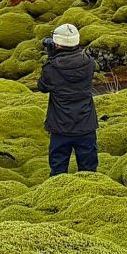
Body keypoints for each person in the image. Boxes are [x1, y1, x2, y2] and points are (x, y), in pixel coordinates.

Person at [37, 23, 99, 176]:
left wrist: (52, 57)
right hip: (86, 122)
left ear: (58, 44)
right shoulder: (89, 63)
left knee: (58, 170)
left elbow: (42, 86)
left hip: (60, 125)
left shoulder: (51, 68)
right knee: (89, 170)